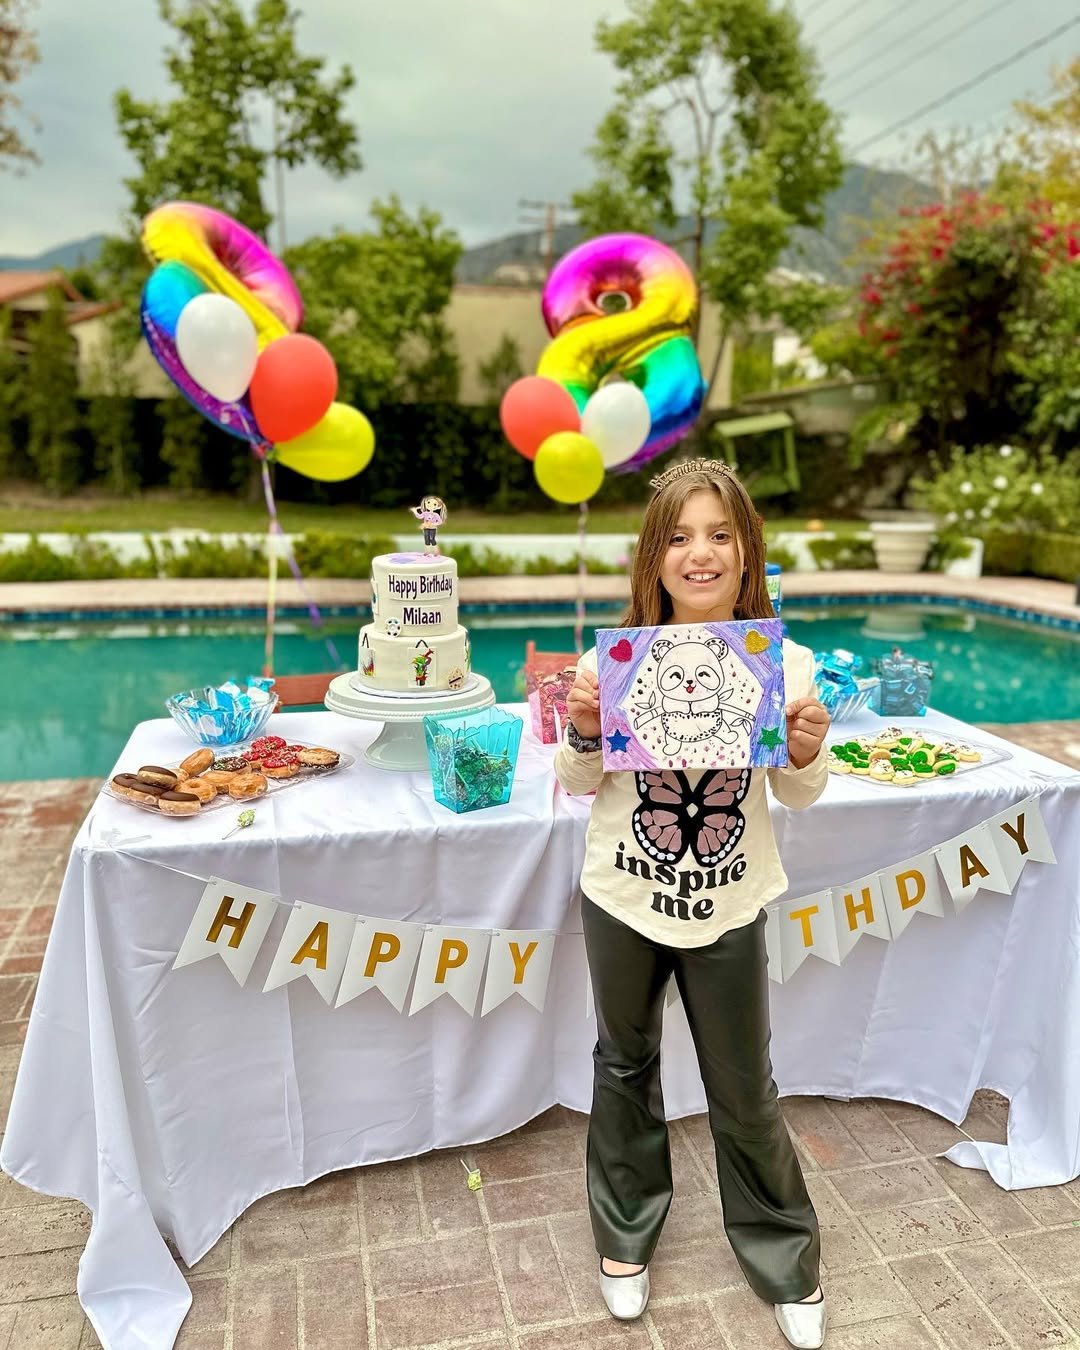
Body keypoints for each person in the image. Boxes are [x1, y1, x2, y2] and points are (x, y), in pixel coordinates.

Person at [554, 458, 831, 1349]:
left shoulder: (784, 663)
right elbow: (575, 781)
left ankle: (782, 1251)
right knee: (623, 1065)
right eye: (678, 536)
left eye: (719, 534)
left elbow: (800, 793)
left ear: (748, 551)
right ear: (654, 555)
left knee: (744, 1086)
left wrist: (805, 750)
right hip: (623, 893)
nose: (699, 553)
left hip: (730, 898)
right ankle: (625, 1233)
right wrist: (585, 730)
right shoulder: (613, 658)